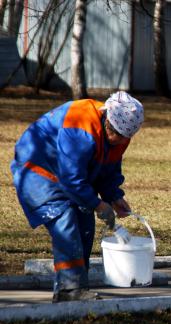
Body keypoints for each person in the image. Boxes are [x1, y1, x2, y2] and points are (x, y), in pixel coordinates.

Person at [11, 91, 144, 303]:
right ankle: (70, 289)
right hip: (37, 169)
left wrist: (113, 196)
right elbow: (71, 179)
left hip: (68, 173)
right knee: (64, 219)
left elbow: (108, 168)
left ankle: (76, 287)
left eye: (123, 137)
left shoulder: (121, 138)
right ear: (106, 119)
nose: (116, 139)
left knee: (84, 222)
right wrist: (99, 205)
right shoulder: (80, 126)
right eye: (114, 133)